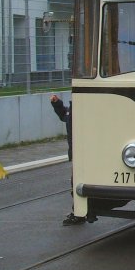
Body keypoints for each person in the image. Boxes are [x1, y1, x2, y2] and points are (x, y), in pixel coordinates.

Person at [50, 94, 85, 226]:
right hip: (76, 151)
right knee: (75, 182)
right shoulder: (73, 108)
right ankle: (78, 212)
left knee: (77, 181)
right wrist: (57, 103)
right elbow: (64, 115)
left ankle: (79, 213)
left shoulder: (81, 108)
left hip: (83, 151)